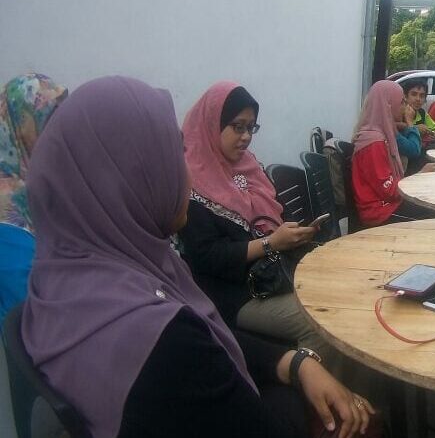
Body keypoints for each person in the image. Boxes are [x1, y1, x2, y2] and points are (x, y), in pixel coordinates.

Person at [21, 77, 372, 438]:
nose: (186, 173)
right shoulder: (158, 337)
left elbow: (205, 342)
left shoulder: (60, 282)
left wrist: (293, 363)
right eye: (172, 155)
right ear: (125, 180)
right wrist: (297, 392)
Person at [177, 82, 354, 383]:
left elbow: (268, 221)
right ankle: (317, 400)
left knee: (339, 293)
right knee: (319, 321)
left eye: (251, 128)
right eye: (237, 127)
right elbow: (205, 256)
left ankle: (342, 387)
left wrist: (292, 235)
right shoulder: (191, 180)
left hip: (271, 275)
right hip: (231, 292)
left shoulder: (247, 168)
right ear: (211, 124)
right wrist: (271, 243)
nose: (246, 136)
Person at [0, 73, 67, 320]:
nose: (62, 137)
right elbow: (31, 313)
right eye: (49, 125)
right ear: (22, 130)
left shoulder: (38, 192)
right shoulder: (8, 223)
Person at [351, 80, 435, 227]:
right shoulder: (374, 142)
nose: (404, 107)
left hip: (388, 204)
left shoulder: (381, 133)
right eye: (402, 102)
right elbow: (389, 191)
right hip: (380, 212)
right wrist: (419, 175)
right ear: (388, 105)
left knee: (431, 200)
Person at [399, 78, 435, 148]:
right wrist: (416, 128)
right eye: (414, 94)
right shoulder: (398, 113)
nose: (418, 99)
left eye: (422, 96)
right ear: (405, 96)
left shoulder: (422, 113)